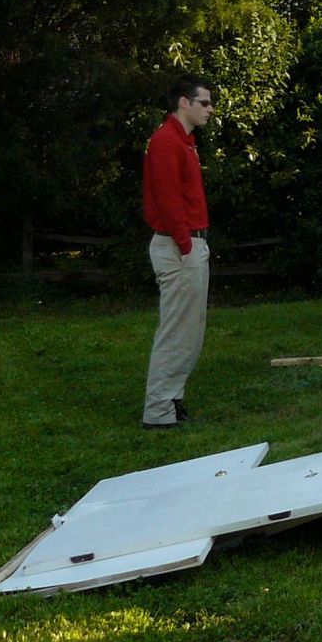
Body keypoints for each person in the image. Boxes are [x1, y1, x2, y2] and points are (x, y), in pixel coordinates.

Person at [141, 75, 213, 429]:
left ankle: (172, 401)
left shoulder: (184, 142)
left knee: (190, 331)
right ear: (184, 103)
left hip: (188, 244)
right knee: (176, 332)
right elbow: (169, 201)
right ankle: (158, 411)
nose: (209, 110)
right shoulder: (166, 141)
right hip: (178, 246)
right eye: (204, 103)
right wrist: (186, 246)